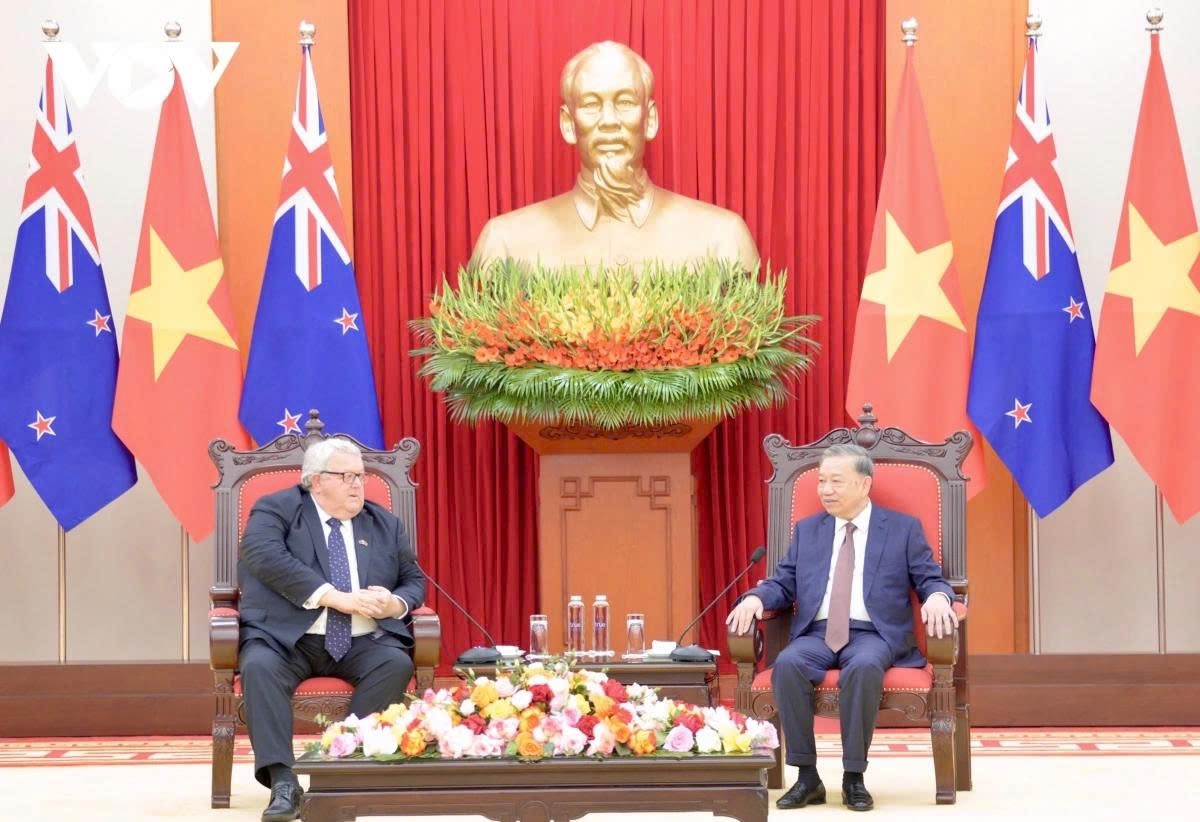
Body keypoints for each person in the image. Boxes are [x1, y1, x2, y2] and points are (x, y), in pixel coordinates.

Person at [725, 444, 958, 812]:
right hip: (818, 633)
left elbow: (930, 580)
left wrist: (938, 598)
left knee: (864, 668)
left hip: (874, 634)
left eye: (836, 481)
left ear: (864, 485)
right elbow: (783, 583)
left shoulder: (901, 529)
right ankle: (807, 777)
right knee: (787, 665)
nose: (826, 490)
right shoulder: (809, 531)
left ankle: (854, 778)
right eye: (821, 481)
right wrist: (756, 598)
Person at [237, 437, 426, 822]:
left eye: (361, 476)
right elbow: (263, 555)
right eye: (347, 476)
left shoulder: (383, 523)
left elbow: (414, 580)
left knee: (394, 664)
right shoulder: (277, 509)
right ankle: (283, 781)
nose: (359, 484)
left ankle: (338, 766)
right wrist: (334, 597)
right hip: (287, 638)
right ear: (316, 481)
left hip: (361, 639)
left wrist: (395, 604)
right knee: (258, 667)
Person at [470, 40, 758, 270]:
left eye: (625, 102)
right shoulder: (505, 243)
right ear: (569, 124)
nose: (609, 121)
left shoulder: (722, 239)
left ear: (650, 120)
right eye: (591, 104)